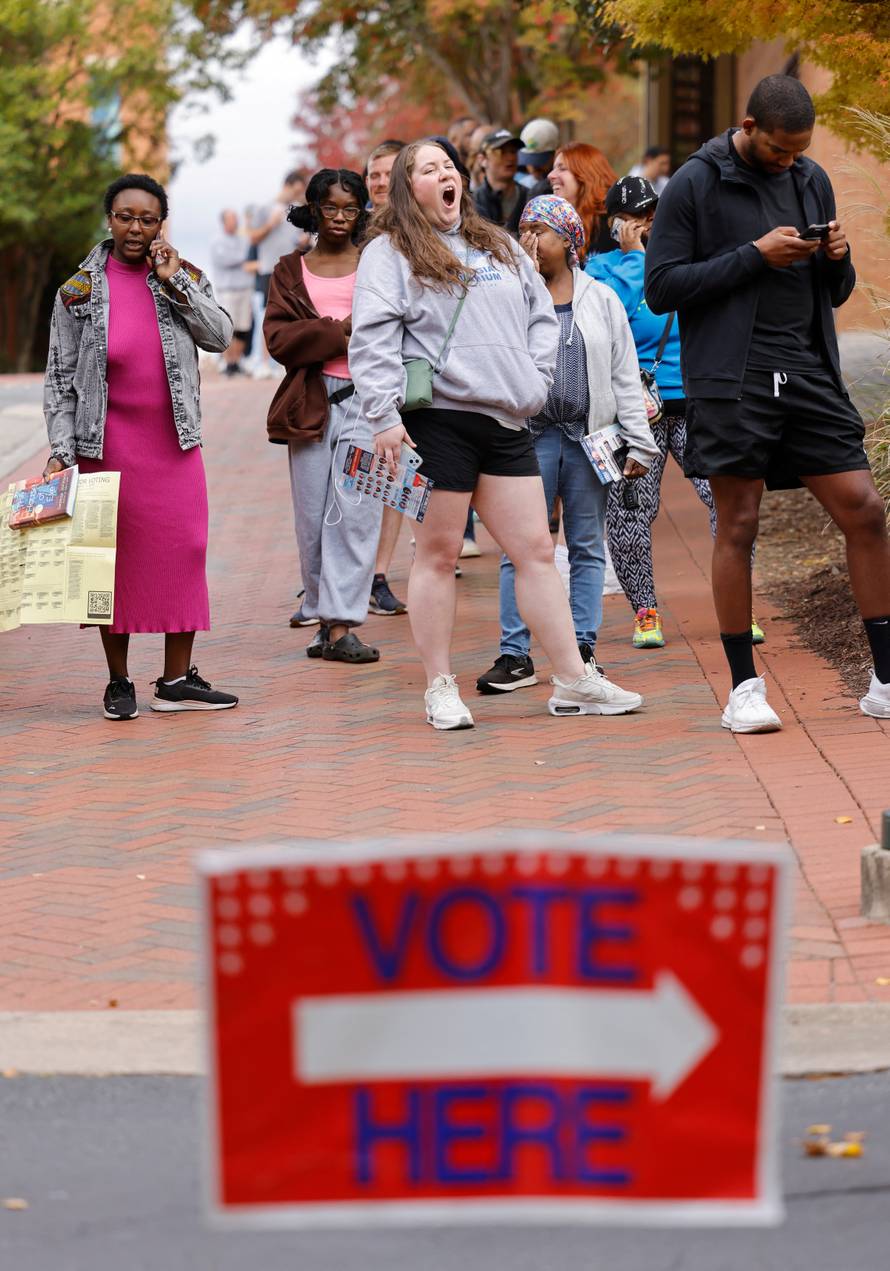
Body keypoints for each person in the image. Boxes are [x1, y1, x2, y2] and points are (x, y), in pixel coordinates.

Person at [349, 140, 647, 729]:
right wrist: (383, 416)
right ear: (411, 189)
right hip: (439, 421)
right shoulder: (390, 252)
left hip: (507, 420)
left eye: (448, 166)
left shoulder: (500, 245)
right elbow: (373, 337)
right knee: (435, 555)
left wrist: (534, 381)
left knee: (536, 550)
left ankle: (571, 678)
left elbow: (541, 314)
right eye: (428, 169)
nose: (444, 175)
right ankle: (440, 686)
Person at [645, 73, 890, 731]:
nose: (790, 163)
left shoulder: (811, 178)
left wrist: (836, 259)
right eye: (780, 151)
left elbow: (833, 292)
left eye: (798, 152)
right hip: (732, 377)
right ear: (748, 128)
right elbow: (662, 287)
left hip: (808, 370)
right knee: (740, 522)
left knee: (864, 510)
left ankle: (885, 679)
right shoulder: (695, 184)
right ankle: (744, 688)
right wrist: (753, 255)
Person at [42, 173, 238, 719]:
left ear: (160, 224)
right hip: (105, 445)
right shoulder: (77, 292)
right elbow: (59, 377)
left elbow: (220, 337)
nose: (135, 227)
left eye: (147, 219)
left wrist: (176, 281)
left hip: (174, 445)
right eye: (125, 216)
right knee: (108, 564)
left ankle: (176, 679)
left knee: (187, 549)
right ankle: (118, 680)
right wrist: (61, 448)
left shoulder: (184, 275)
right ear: (109, 218)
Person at [475, 194, 655, 699]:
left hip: (588, 436)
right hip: (527, 437)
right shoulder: (507, 294)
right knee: (521, 546)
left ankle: (581, 648)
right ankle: (515, 653)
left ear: (571, 242)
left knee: (585, 544)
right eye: (525, 228)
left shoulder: (599, 297)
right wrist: (521, 277)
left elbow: (623, 373)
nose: (530, 238)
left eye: (543, 231)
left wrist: (639, 442)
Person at [587, 175, 746, 650]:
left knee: (728, 501)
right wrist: (636, 260)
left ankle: (741, 606)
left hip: (693, 399)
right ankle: (644, 612)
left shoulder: (685, 262)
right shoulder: (599, 272)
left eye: (651, 216)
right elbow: (617, 321)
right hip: (635, 411)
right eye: (633, 218)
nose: (644, 225)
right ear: (613, 223)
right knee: (631, 509)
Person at [264, 168, 384, 663]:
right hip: (309, 404)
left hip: (370, 399)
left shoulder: (378, 263)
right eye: (329, 207)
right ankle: (322, 613)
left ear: (361, 213)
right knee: (313, 516)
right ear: (312, 210)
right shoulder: (289, 269)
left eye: (349, 208)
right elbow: (278, 340)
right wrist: (340, 332)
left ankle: (342, 626)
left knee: (357, 514)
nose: (339, 217)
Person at [250, 170, 310, 378]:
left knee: (294, 317)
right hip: (270, 269)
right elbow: (253, 238)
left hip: (294, 269)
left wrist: (304, 241)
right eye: (298, 189)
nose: (299, 193)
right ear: (290, 185)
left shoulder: (299, 209)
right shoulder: (265, 208)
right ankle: (264, 364)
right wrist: (270, 225)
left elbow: (303, 237)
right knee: (269, 316)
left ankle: (285, 365)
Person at [548, 143, 617, 258]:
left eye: (562, 168)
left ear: (587, 175)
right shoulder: (555, 222)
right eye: (554, 168)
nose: (550, 175)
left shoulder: (612, 222)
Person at [210, 209, 252, 375]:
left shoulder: (244, 239)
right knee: (228, 327)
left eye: (236, 218)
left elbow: (249, 257)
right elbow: (226, 260)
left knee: (243, 327)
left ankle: (236, 361)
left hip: (245, 287)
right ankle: (228, 362)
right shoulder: (217, 240)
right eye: (231, 219)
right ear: (223, 222)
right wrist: (244, 257)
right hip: (227, 289)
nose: (235, 222)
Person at [473, 130, 530, 232]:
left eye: (513, 151)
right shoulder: (472, 203)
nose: (510, 157)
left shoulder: (530, 198)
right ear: (482, 160)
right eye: (501, 152)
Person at [517, 118, 559, 191]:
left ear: (555, 154)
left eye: (539, 160)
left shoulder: (566, 187)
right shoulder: (521, 187)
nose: (533, 167)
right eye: (528, 160)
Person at [366, 140, 405, 211]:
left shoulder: (423, 221)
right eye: (374, 176)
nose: (382, 183)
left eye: (390, 175)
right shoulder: (353, 221)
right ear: (367, 182)